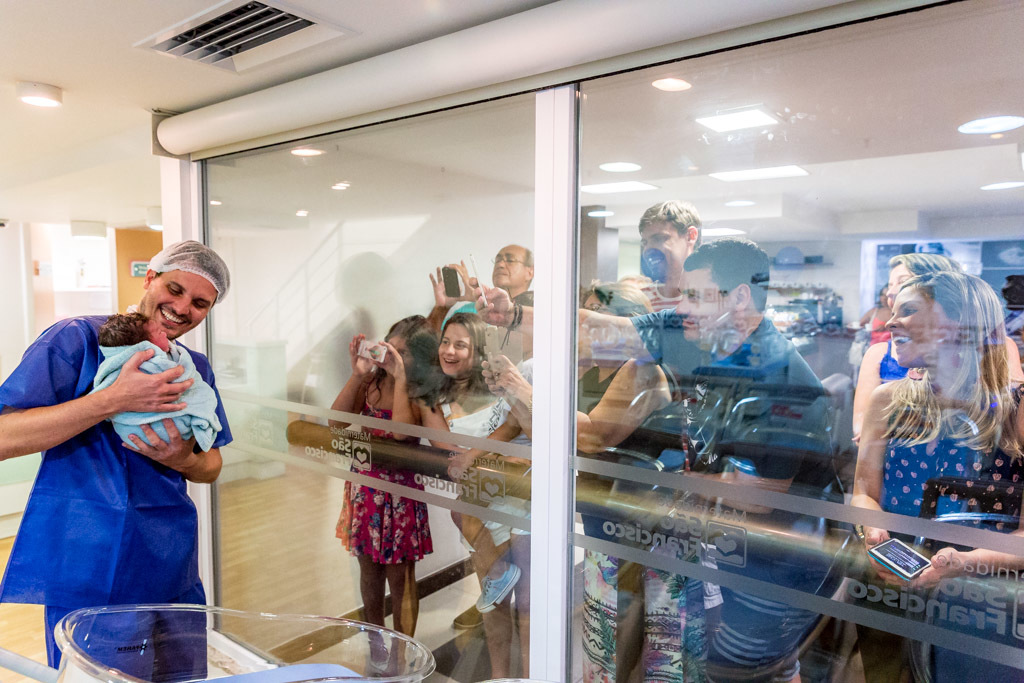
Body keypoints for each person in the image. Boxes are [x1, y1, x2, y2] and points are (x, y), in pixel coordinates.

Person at [0, 240, 233, 668]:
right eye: (175, 289)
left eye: (200, 303)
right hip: (91, 561)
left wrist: (181, 458)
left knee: (183, 677)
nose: (183, 308)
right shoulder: (78, 340)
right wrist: (111, 400)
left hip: (170, 559)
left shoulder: (193, 367)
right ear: (149, 277)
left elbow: (211, 465)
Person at [852, 270, 1024, 681]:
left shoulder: (1016, 410)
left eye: (908, 311)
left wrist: (966, 562)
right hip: (889, 585)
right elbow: (864, 492)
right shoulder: (888, 400)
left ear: (959, 322)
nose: (891, 322)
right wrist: (872, 533)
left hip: (982, 599)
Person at [420, 312, 529, 677]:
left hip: (518, 503)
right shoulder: (433, 397)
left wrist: (478, 454)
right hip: (478, 515)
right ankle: (500, 676)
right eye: (445, 342)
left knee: (528, 612)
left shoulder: (499, 386)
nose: (449, 351)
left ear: (477, 349)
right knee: (494, 609)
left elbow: (515, 427)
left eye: (460, 344)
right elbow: (448, 453)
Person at [329, 315, 442, 637]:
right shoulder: (372, 382)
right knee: (368, 571)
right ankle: (375, 643)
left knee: (400, 577)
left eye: (403, 353)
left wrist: (402, 379)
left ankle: (402, 655)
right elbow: (336, 423)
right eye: (390, 347)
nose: (392, 357)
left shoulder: (419, 392)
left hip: (400, 494)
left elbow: (401, 435)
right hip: (365, 490)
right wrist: (357, 374)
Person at [852, 253, 1024, 443]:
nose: (890, 292)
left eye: (903, 281)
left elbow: (1005, 411)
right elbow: (864, 431)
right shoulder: (882, 363)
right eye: (890, 284)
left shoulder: (996, 349)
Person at [93, 311, 223, 453]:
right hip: (164, 424)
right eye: (159, 332)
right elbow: (186, 381)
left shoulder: (110, 365)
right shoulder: (159, 362)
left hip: (129, 432)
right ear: (144, 345)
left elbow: (100, 388)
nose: (165, 335)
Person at [428, 244, 536, 332]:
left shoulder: (538, 309)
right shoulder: (468, 310)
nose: (501, 264)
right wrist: (442, 308)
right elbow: (430, 346)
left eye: (510, 260)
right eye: (497, 260)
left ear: (530, 272)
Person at [636, 200, 702, 311]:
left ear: (691, 236)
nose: (648, 249)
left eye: (659, 238)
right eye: (645, 243)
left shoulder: (713, 296)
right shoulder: (640, 299)